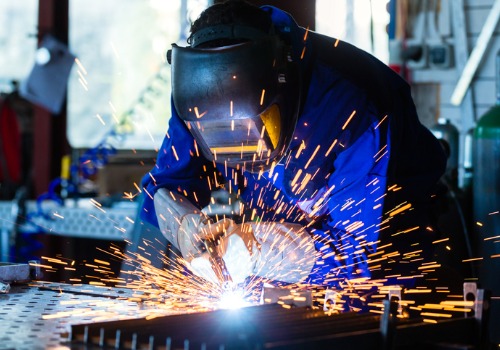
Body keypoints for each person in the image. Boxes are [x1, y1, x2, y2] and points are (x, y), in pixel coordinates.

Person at [141, 0, 447, 289]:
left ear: (281, 90)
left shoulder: (350, 106)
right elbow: (166, 186)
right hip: (283, 243)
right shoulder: (195, 97)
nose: (239, 148)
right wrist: (185, 226)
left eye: (249, 128)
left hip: (390, 246)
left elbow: (358, 255)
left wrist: (260, 250)